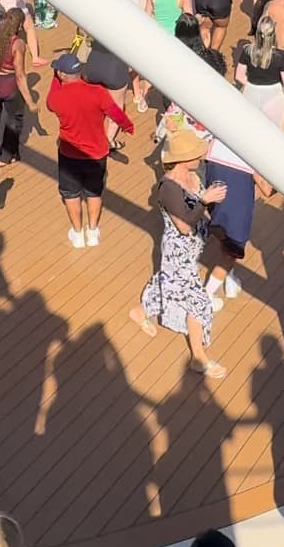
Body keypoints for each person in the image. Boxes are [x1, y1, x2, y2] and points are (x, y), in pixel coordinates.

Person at [130, 131, 228, 380]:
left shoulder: (194, 175)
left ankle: (140, 311)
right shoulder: (169, 187)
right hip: (178, 251)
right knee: (196, 300)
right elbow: (183, 225)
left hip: (194, 246)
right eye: (196, 152)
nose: (201, 155)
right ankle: (198, 357)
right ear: (183, 158)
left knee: (168, 283)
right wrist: (204, 201)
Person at [45, 51, 133, 247]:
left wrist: (54, 79)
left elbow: (50, 103)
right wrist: (128, 126)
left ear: (62, 74)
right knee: (94, 193)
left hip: (70, 153)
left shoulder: (57, 98)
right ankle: (92, 231)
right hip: (97, 152)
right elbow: (115, 113)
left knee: (71, 194)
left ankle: (77, 233)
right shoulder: (97, 93)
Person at [0, 8, 31, 170]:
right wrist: (31, 102)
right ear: (20, 25)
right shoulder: (18, 44)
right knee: (13, 121)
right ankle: (6, 155)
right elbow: (20, 75)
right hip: (8, 85)